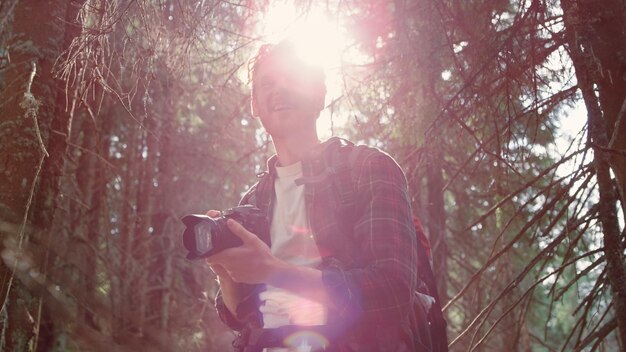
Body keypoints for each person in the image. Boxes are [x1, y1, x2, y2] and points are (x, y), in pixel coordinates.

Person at [205, 40, 433, 351]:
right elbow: (239, 317)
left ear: (318, 96)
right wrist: (223, 272)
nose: (279, 90)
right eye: (267, 84)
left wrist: (275, 271)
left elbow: (392, 292)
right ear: (255, 105)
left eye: (292, 79)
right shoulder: (253, 202)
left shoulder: (368, 168)